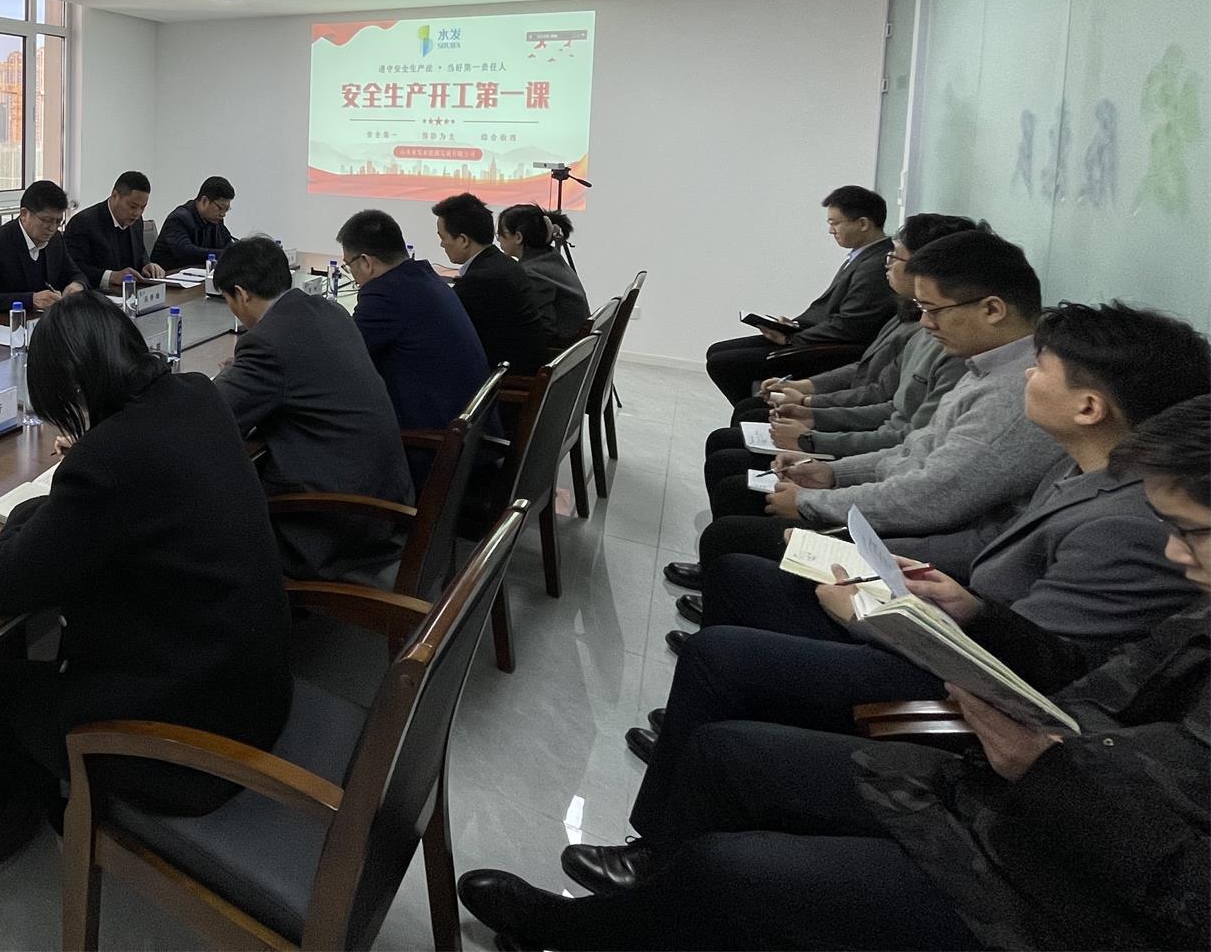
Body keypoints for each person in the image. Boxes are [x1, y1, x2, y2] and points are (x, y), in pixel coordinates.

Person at [455, 395, 1211, 952]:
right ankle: (656, 873)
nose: (1175, 553)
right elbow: (1091, 673)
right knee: (725, 746)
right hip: (1012, 762)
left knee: (736, 853)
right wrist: (977, 615)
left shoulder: (1117, 522)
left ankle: (609, 925)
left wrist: (1047, 772)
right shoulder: (1131, 531)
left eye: (1191, 534)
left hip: (1050, 879)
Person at [0, 291, 293, 908]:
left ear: (73, 388)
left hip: (191, 741)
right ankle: (43, 794)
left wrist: (38, 502)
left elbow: (8, 581)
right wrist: (88, 466)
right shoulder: (195, 396)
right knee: (42, 671)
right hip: (252, 684)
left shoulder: (109, 460)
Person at [627, 302, 1208, 783]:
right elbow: (980, 537)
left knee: (724, 652)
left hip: (960, 696)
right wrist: (931, 591)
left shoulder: (1128, 523)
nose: (1025, 377)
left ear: (1089, 406)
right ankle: (696, 729)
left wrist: (869, 612)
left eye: (1039, 368)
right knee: (742, 574)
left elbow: (1020, 673)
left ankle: (685, 780)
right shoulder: (1080, 467)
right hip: (955, 620)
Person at [692, 231, 1065, 581]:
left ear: (993, 310)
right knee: (738, 492)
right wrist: (833, 473)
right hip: (907, 512)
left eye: (933, 310)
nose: (926, 323)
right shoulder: (984, 363)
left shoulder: (1014, 392)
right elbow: (914, 447)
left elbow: (933, 497)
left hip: (927, 547)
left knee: (732, 533)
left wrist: (814, 500)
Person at [697, 213, 975, 523]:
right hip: (866, 448)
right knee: (732, 435)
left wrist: (813, 433)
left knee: (731, 464)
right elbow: (877, 386)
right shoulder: (910, 318)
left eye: (894, 257)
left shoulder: (951, 352)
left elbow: (899, 430)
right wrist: (807, 402)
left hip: (870, 461)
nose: (887, 263)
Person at [212, 237, 415, 580]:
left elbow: (215, 415)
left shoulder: (267, 343)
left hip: (333, 526)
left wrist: (229, 376)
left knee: (208, 508)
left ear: (241, 294)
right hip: (384, 502)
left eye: (228, 300)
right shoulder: (328, 310)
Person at [703, 185, 897, 405]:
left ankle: (761, 410)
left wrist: (792, 338)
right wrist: (793, 326)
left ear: (862, 223)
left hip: (831, 351)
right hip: (815, 337)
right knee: (716, 352)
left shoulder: (876, 265)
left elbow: (851, 325)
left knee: (724, 362)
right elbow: (829, 311)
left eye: (835, 223)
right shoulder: (864, 256)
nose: (831, 230)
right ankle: (755, 408)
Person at [337, 209, 489, 431]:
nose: (353, 276)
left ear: (366, 262)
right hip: (469, 429)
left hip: (434, 439)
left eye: (349, 266)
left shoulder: (385, 295)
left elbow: (342, 357)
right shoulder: (424, 277)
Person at [432, 192, 548, 377]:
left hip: (507, 380)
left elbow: (442, 329)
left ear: (463, 240)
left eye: (443, 237)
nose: (442, 244)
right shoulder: (504, 264)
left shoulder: (480, 279)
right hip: (523, 368)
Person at [0, 180, 89, 318]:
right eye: (46, 220)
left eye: (58, 221)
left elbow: (75, 273)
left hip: (45, 321)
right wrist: (30, 300)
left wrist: (77, 285)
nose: (52, 228)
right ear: (24, 214)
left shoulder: (55, 240)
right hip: (4, 323)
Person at [496, 204, 590, 346]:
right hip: (578, 349)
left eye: (501, 233)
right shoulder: (551, 257)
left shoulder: (532, 274)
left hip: (561, 352)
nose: (498, 239)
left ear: (518, 237)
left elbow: (543, 331)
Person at [61, 170, 165, 288]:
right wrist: (110, 276)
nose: (137, 213)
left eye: (143, 207)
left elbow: (141, 253)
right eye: (133, 206)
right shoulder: (83, 222)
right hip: (97, 293)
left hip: (131, 292)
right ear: (115, 196)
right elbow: (74, 268)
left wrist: (147, 265)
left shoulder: (137, 222)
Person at [152, 175, 236, 272]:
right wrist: (226, 254)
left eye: (226, 209)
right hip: (167, 275)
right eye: (220, 208)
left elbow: (227, 244)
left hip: (197, 275)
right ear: (204, 201)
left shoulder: (215, 220)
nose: (223, 214)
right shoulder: (179, 218)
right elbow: (187, 252)